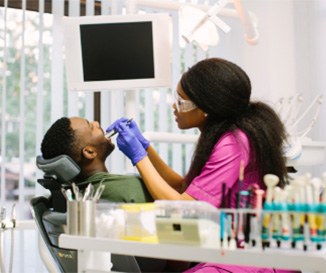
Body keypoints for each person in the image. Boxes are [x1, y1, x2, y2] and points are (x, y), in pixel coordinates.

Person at [107, 57, 297, 273]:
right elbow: (183, 187)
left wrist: (138, 157)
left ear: (207, 107)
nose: (174, 107)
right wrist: (145, 148)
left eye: (182, 102)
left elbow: (184, 207)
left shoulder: (234, 143)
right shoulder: (221, 136)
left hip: (251, 256)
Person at [40, 116, 171, 272]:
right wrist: (140, 155)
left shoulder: (77, 200)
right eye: (91, 126)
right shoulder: (127, 190)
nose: (97, 123)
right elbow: (179, 200)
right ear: (89, 151)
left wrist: (144, 147)